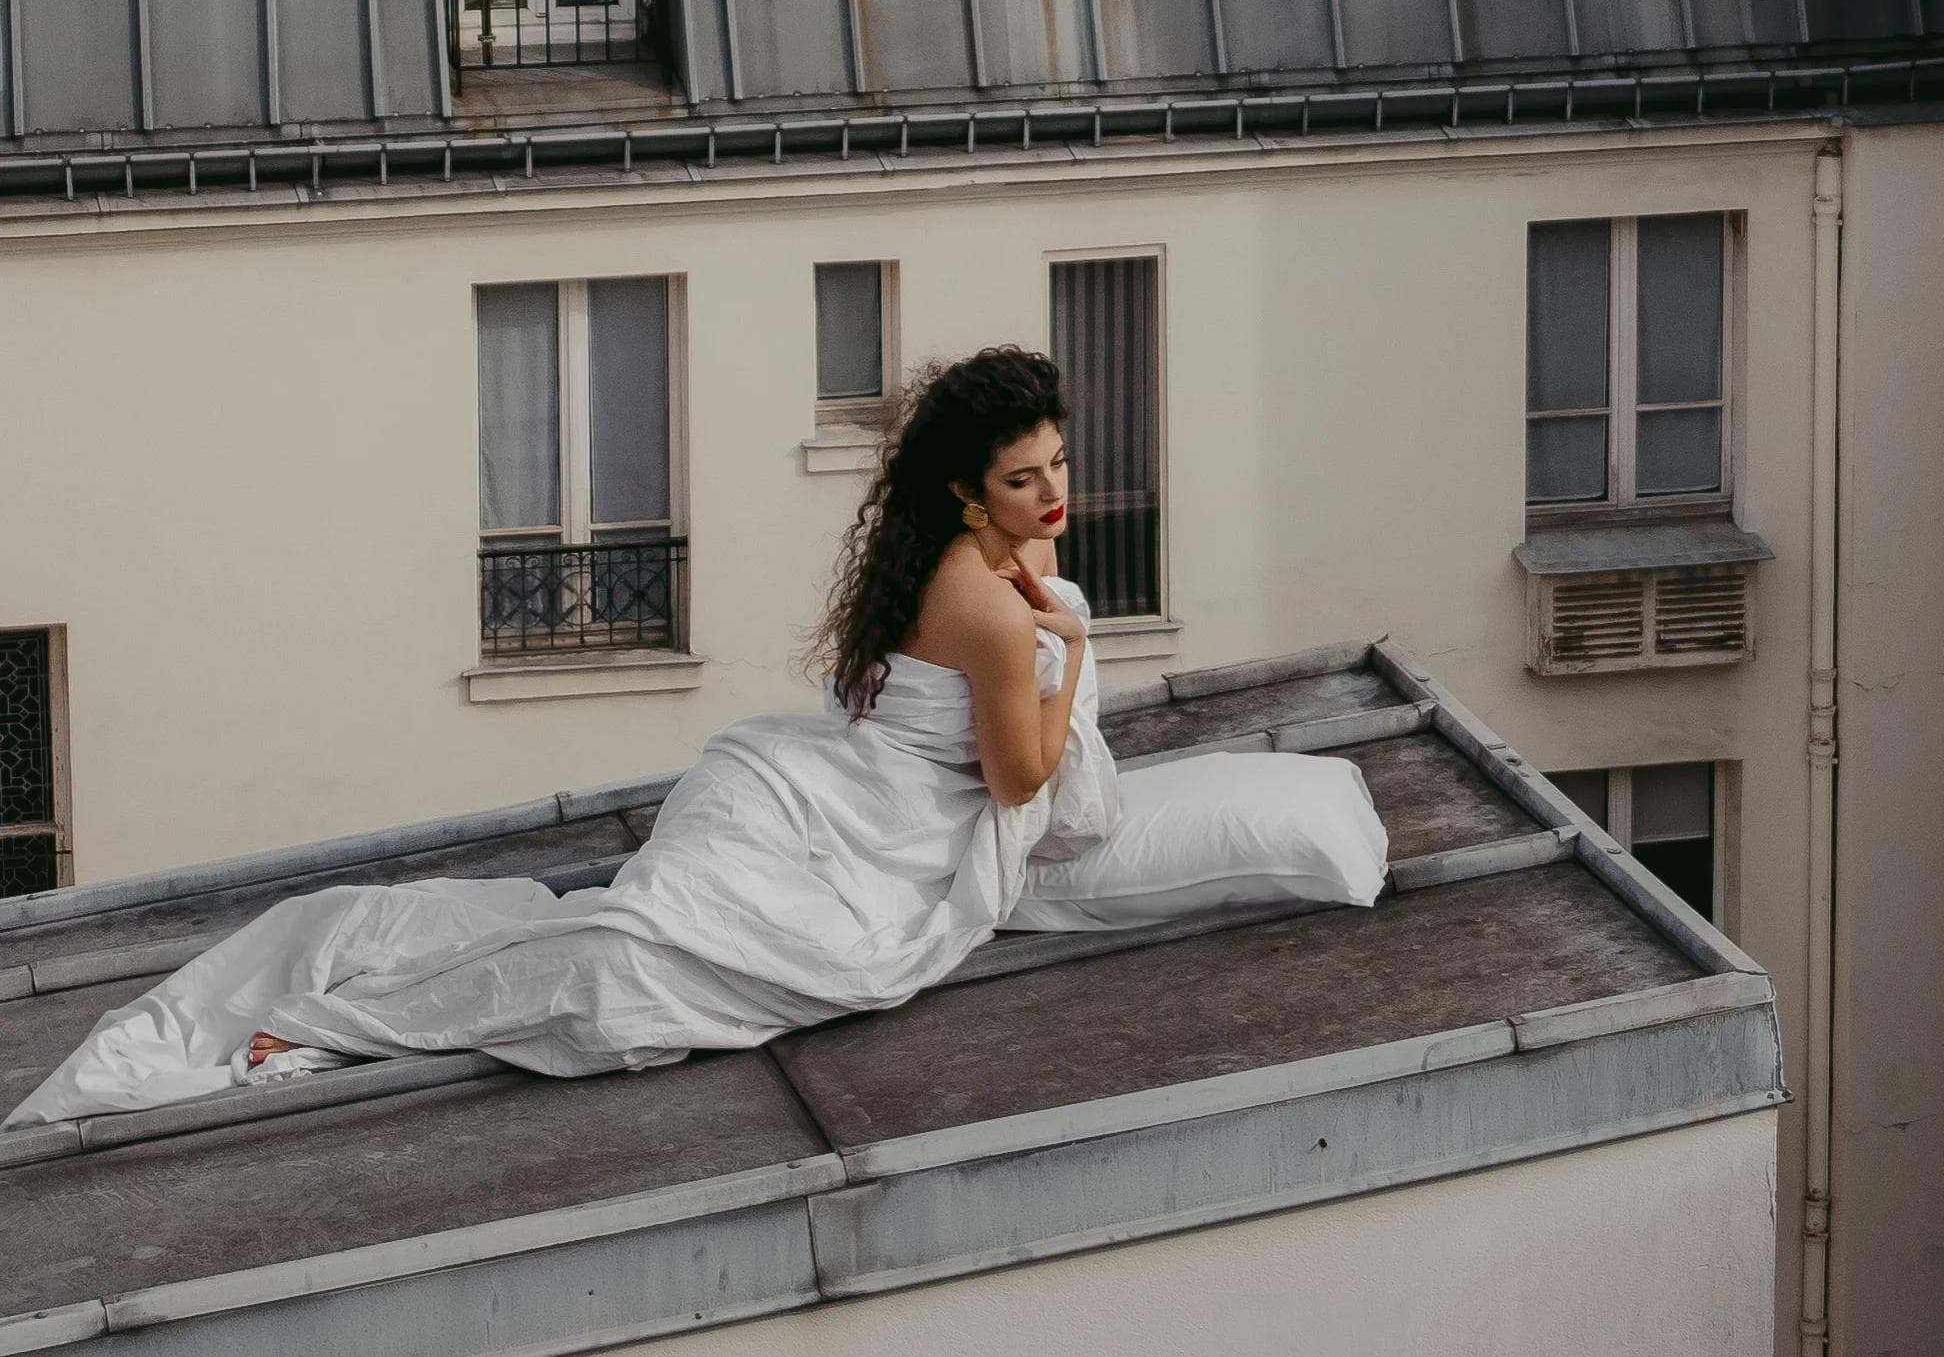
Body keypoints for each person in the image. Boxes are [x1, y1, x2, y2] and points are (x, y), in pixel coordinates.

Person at [7, 347, 1383, 1128]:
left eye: (1059, 463)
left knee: (616, 941)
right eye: (1026, 476)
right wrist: (1072, 646)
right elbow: (1024, 780)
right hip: (852, 835)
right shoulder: (992, 602)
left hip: (799, 780)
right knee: (626, 973)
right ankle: (326, 1022)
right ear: (970, 489)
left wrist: (1053, 631)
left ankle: (340, 1009)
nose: (1056, 490)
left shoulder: (949, 560)